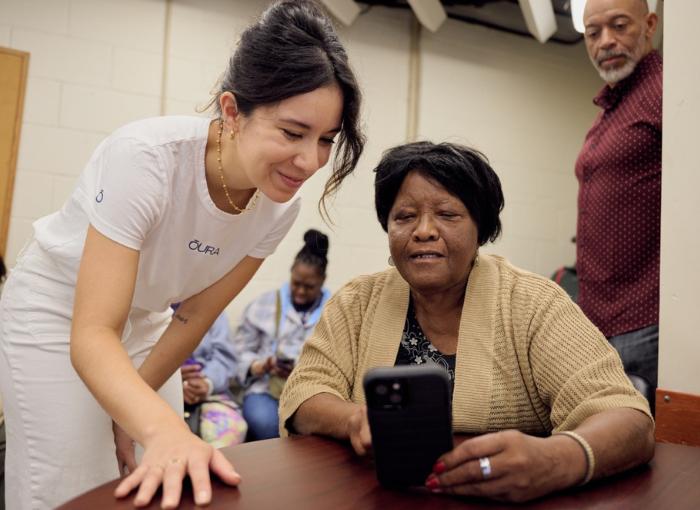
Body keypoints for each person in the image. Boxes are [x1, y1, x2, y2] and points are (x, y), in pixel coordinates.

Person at [0, 1, 365, 507]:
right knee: (70, 484)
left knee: (158, 471)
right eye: (292, 132)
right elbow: (92, 332)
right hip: (58, 309)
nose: (310, 161)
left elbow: (193, 314)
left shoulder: (279, 206)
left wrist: (135, 415)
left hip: (146, 319)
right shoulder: (146, 158)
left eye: (327, 139)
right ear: (233, 111)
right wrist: (160, 425)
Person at [279, 141, 654, 503]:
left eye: (447, 214)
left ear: (481, 228)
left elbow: (627, 418)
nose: (423, 230)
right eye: (405, 216)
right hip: (377, 494)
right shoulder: (357, 301)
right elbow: (305, 392)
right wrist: (354, 419)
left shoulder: (534, 304)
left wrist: (557, 459)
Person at [575, 0, 661, 401]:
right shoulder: (613, 103)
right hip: (600, 320)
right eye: (594, 33)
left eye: (619, 26)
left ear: (649, 26)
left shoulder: (667, 91)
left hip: (647, 318)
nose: (606, 41)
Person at [233, 229, 331, 440]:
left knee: (314, 433)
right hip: (265, 390)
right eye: (296, 283)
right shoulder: (263, 305)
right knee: (266, 424)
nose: (301, 292)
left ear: (322, 280)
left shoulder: (335, 313)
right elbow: (239, 352)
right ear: (290, 273)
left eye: (309, 286)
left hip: (312, 394)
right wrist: (260, 365)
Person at [179, 310, 248, 448]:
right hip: (156, 395)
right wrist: (173, 380)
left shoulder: (212, 307)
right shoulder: (142, 311)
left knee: (230, 431)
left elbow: (226, 358)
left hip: (210, 393)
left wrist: (207, 382)